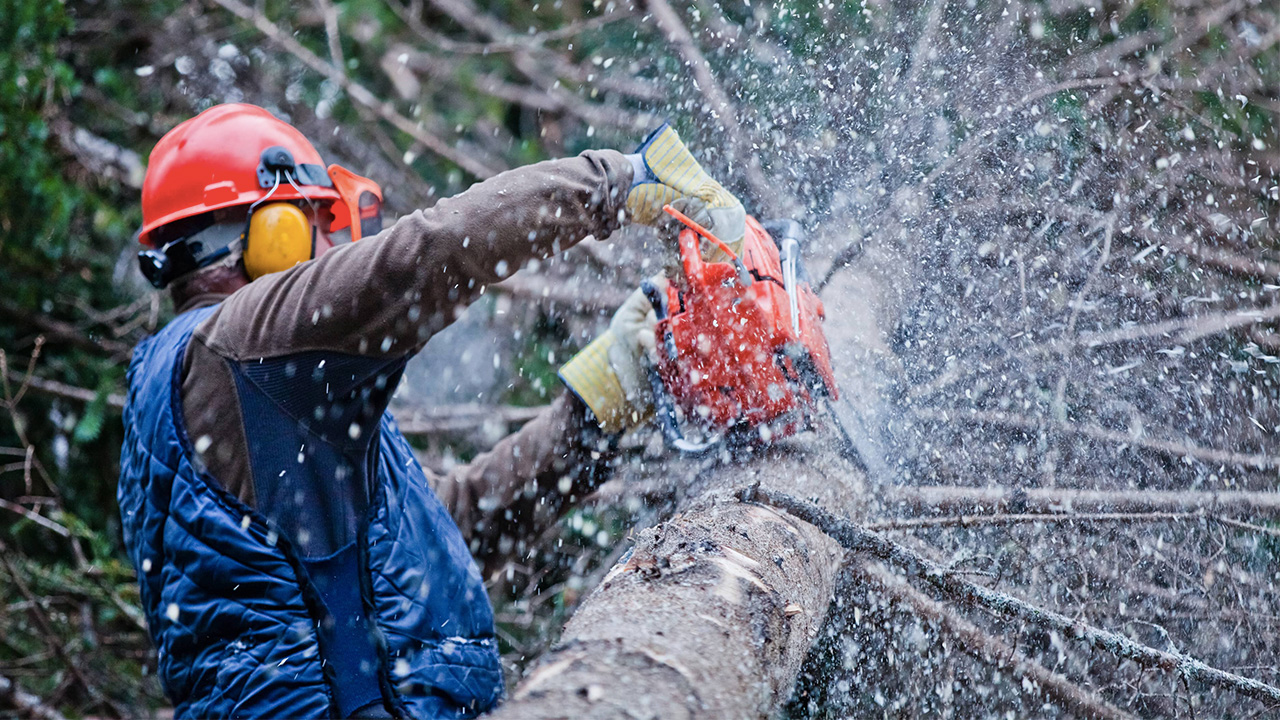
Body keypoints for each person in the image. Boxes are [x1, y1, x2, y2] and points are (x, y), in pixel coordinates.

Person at [116, 103, 743, 719]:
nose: (329, 246)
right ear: (267, 234)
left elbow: (448, 531)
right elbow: (428, 255)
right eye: (312, 222)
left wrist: (599, 404)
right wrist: (621, 181)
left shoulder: (239, 391)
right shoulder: (244, 345)